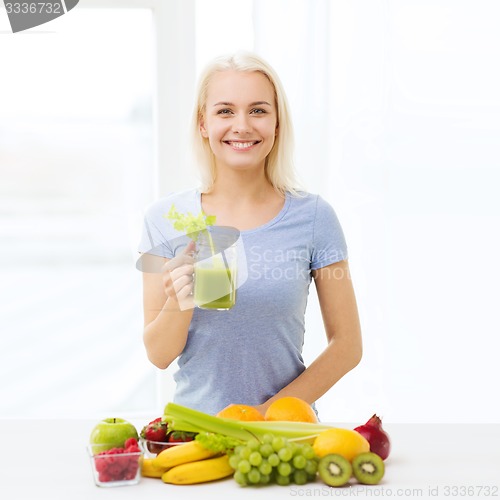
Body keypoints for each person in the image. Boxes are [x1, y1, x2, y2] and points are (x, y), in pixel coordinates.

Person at [137, 51, 362, 417]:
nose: (241, 125)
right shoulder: (165, 219)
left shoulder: (315, 217)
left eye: (258, 110)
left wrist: (264, 415)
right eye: (225, 111)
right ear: (203, 124)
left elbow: (348, 346)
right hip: (195, 435)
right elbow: (159, 356)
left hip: (285, 433)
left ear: (277, 124)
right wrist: (181, 300)